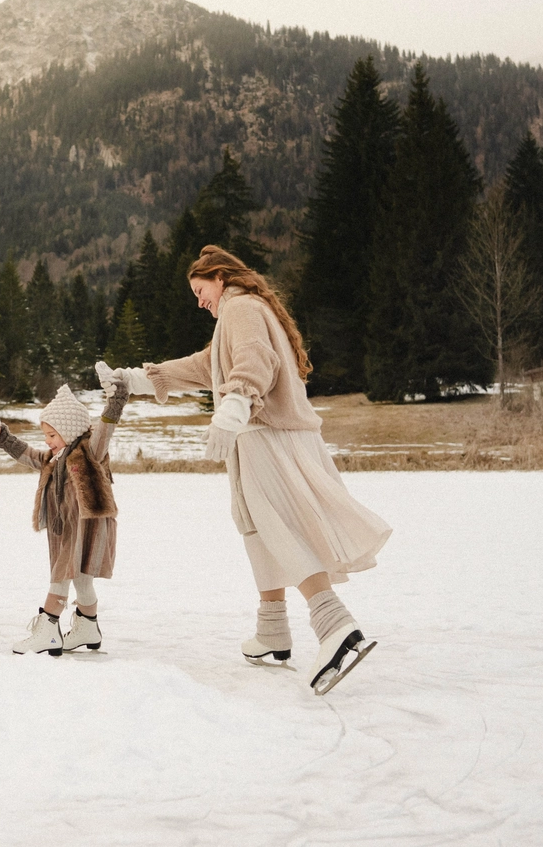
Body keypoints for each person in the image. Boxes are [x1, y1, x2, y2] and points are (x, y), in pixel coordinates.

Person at [142, 245, 392, 694]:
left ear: (219, 278)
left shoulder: (240, 308)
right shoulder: (238, 316)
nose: (199, 302)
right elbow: (204, 366)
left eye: (200, 291)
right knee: (257, 529)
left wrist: (234, 406)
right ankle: (272, 629)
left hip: (265, 436)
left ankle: (333, 623)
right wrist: (139, 378)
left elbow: (256, 360)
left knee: (281, 530)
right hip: (268, 436)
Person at [0, 375, 129, 655]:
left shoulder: (90, 451)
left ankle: (49, 628)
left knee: (61, 574)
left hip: (87, 527)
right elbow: (26, 453)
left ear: (70, 430)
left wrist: (116, 401)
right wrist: (1, 436)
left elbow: (105, 429)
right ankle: (89, 626)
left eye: (52, 435)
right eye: (46, 435)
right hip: (64, 528)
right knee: (81, 580)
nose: (47, 440)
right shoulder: (52, 460)